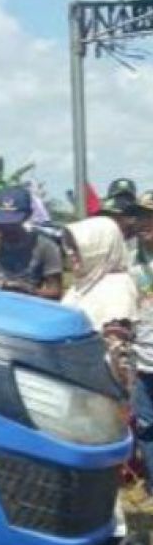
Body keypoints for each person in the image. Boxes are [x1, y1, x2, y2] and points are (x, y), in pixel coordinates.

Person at [62, 201, 138, 388]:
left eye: (78, 248)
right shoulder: (81, 286)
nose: (71, 254)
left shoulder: (117, 287)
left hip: (98, 388)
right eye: (69, 247)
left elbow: (118, 355)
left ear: (99, 248)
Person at [0, 187, 63, 300]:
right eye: (2, 219)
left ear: (28, 215)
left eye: (12, 221)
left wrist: (27, 291)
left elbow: (56, 293)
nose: (6, 226)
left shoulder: (46, 247)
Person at [119, 192, 153, 491]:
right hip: (143, 361)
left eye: (150, 215)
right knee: (146, 429)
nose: (143, 222)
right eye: (140, 215)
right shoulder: (128, 257)